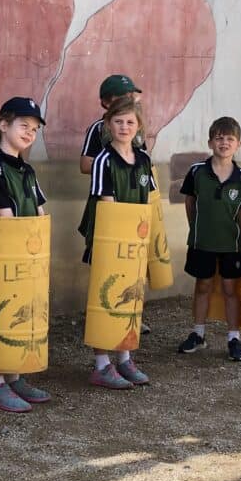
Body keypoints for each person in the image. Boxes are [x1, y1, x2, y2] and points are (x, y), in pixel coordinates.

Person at [0, 97, 51, 414]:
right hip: (5, 254)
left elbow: (39, 209)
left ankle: (15, 375)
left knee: (23, 310)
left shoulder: (28, 169)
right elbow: (4, 215)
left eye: (34, 129)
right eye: (24, 126)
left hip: (28, 255)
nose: (29, 132)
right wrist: (24, 246)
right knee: (3, 312)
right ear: (3, 125)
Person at [79, 95, 155, 389]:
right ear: (108, 125)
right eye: (119, 121)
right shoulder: (103, 160)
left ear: (138, 127)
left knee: (130, 295)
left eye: (130, 122)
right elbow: (107, 205)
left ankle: (124, 357)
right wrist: (121, 237)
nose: (124, 127)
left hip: (134, 240)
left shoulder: (144, 160)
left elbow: (146, 203)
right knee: (105, 295)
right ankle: (101, 364)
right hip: (109, 238)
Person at [176, 117, 241, 363]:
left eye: (230, 138)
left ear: (238, 144)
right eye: (219, 138)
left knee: (231, 290)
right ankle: (198, 334)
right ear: (210, 142)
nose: (224, 142)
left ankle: (234, 338)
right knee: (203, 286)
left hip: (231, 245)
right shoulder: (197, 171)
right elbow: (190, 202)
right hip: (203, 243)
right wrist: (196, 228)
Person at [78, 74, 142, 175]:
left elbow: (145, 162)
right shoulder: (98, 128)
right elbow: (85, 165)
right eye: (124, 97)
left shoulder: (135, 126)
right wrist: (118, 167)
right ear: (106, 102)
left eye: (131, 96)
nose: (129, 101)